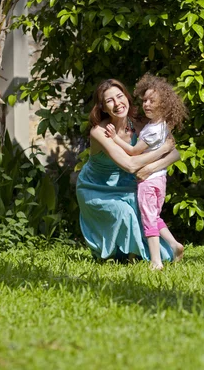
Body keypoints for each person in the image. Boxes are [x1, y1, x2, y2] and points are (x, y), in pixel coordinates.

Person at [76, 78, 182, 264]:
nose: (117, 103)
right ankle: (123, 254)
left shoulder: (142, 124)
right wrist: (162, 150)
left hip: (127, 184)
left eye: (120, 96)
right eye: (110, 100)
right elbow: (132, 165)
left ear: (127, 96)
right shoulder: (99, 132)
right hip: (96, 187)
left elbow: (175, 153)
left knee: (144, 210)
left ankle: (139, 255)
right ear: (102, 107)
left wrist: (150, 168)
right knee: (124, 212)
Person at [105, 74, 187, 270]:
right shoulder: (162, 126)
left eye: (153, 101)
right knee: (154, 216)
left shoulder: (151, 130)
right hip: (160, 179)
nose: (147, 105)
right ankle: (175, 246)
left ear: (164, 105)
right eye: (145, 100)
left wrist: (115, 138)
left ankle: (156, 261)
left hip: (148, 181)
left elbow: (133, 152)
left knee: (148, 219)